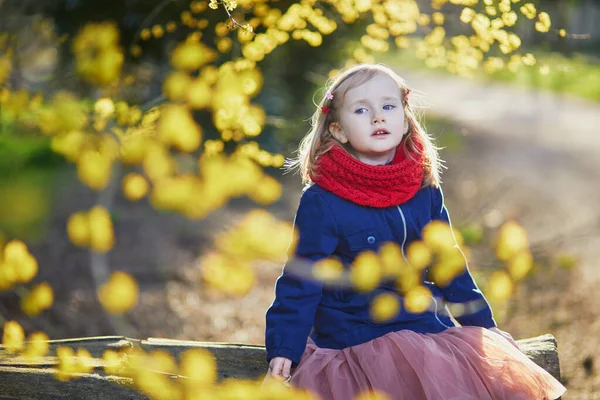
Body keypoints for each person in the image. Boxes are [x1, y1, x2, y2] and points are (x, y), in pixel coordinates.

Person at [263, 63, 566, 399]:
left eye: (388, 107)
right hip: (353, 337)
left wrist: (484, 326)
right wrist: (284, 347)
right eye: (362, 110)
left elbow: (448, 265)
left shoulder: (423, 190)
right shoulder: (323, 200)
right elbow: (301, 279)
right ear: (338, 130)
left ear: (405, 120)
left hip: (422, 328)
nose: (378, 117)